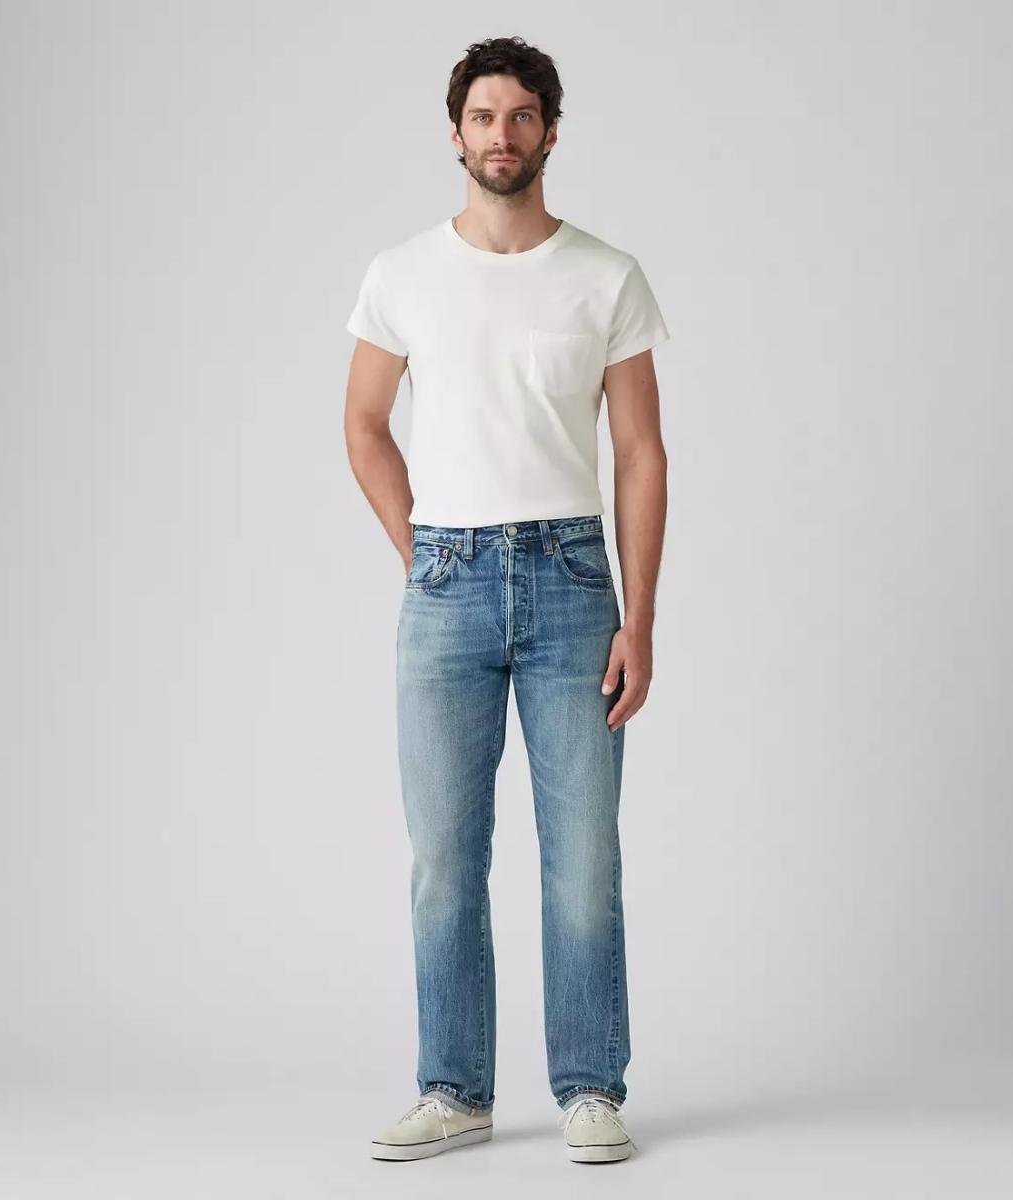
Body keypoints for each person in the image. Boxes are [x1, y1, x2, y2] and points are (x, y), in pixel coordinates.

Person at [344, 35, 670, 1165]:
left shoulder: (605, 275)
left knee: (583, 857)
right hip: (447, 582)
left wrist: (640, 617)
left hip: (575, 582)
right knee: (445, 857)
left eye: (521, 116)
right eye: (483, 116)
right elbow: (363, 426)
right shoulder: (401, 275)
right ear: (456, 133)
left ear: (550, 132)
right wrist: (421, 552)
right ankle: (455, 1089)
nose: (501, 135)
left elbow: (641, 452)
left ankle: (590, 1089)